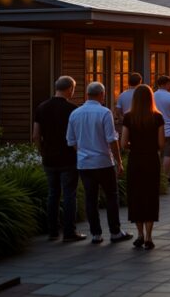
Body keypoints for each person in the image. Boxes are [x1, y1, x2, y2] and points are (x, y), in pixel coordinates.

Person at [66, 82, 132, 245]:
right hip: (103, 162)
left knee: (90, 198)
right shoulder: (104, 112)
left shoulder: (75, 113)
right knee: (111, 196)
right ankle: (115, 231)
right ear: (101, 95)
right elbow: (112, 139)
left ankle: (96, 233)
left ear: (88, 94)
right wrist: (118, 161)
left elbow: (71, 140)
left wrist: (82, 152)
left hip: (84, 163)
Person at [33, 75, 85, 242]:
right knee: (69, 194)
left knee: (53, 194)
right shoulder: (72, 109)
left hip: (49, 158)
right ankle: (69, 232)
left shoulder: (41, 107)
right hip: (68, 158)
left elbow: (35, 135)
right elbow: (78, 136)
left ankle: (53, 232)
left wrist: (42, 151)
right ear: (70, 89)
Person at [121, 84, 165, 250]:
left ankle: (139, 234)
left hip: (135, 160)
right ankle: (149, 236)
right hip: (151, 160)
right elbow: (161, 143)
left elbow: (124, 143)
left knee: (136, 195)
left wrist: (135, 144)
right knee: (150, 196)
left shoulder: (128, 117)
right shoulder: (157, 117)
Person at [154, 75, 170, 186]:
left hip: (155, 130)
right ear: (165, 84)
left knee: (157, 153)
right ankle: (166, 178)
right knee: (168, 155)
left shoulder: (152, 96)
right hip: (169, 129)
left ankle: (157, 176)